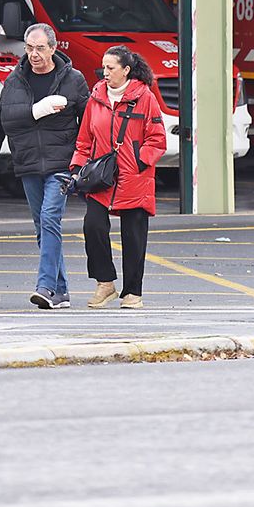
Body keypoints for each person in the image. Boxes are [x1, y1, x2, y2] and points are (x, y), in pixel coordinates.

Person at [0, 23, 89, 309]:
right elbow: (2, 121)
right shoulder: (15, 80)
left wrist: (84, 160)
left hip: (61, 162)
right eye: (29, 48)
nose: (34, 54)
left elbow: (89, 122)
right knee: (43, 226)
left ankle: (45, 287)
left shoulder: (73, 80)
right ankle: (61, 291)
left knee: (51, 218)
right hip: (28, 162)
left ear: (53, 49)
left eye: (40, 48)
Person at [71, 45, 167, 309]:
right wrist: (77, 168)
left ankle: (133, 293)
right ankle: (105, 283)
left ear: (126, 70)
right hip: (102, 178)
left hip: (134, 177)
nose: (106, 73)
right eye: (104, 67)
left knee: (134, 236)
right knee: (93, 226)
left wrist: (139, 161)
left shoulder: (145, 97)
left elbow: (158, 139)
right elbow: (83, 140)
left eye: (111, 68)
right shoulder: (96, 98)